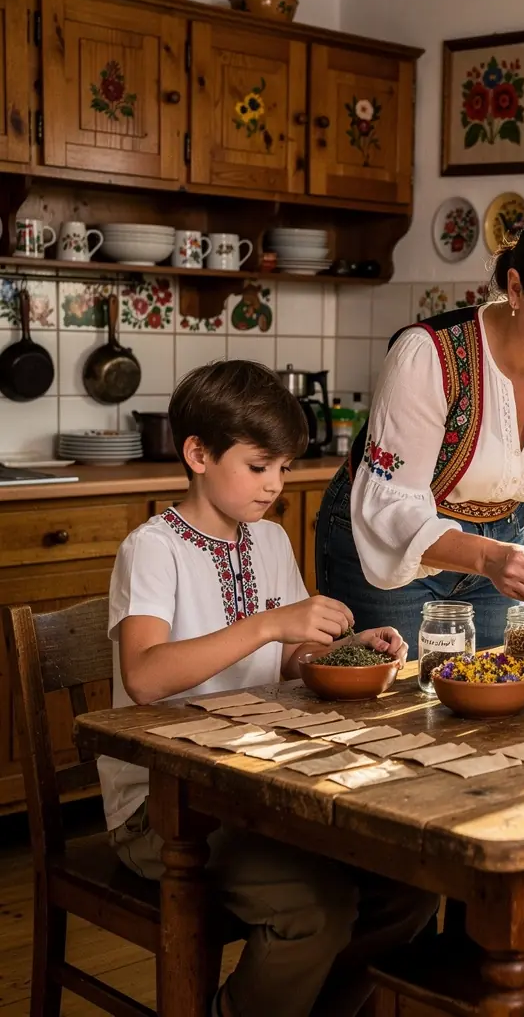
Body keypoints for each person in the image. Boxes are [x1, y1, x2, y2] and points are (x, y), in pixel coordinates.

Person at [97, 360, 437, 1017]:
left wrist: (338, 649)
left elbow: (283, 661)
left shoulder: (270, 540)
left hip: (256, 787)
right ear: (197, 453)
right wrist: (267, 625)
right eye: (259, 467)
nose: (274, 486)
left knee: (410, 890)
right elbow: (144, 677)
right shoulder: (152, 549)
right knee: (317, 909)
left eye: (282, 469)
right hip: (163, 808)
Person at [317, 205, 524, 654]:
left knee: (491, 695)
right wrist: (489, 557)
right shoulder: (428, 355)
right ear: (516, 288)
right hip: (387, 546)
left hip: (501, 544)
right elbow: (392, 506)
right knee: (388, 701)